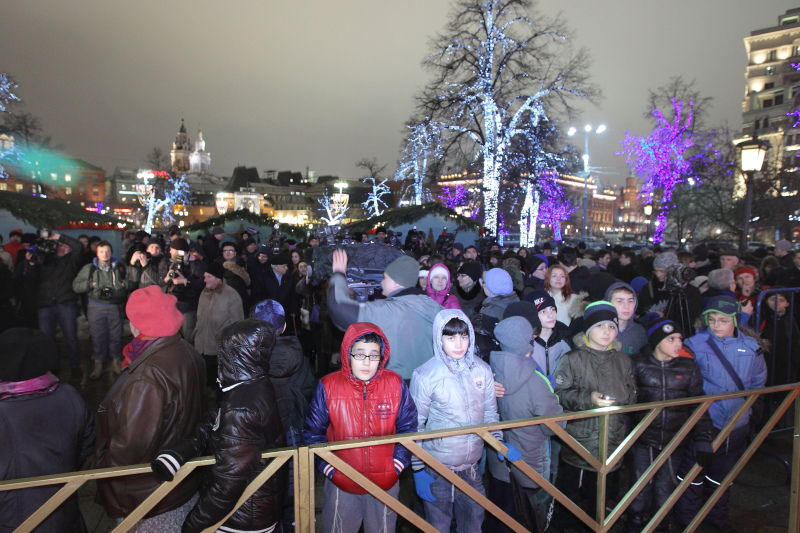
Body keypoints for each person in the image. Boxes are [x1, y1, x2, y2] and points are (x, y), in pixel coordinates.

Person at [151, 319, 288, 533]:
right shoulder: (253, 385)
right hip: (258, 507)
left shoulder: (242, 406)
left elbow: (228, 485)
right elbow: (215, 422)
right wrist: (179, 453)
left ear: (234, 355)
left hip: (242, 516)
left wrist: (192, 525)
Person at [95, 285, 206, 529]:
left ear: (139, 324)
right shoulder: (188, 352)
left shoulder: (148, 377)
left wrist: (102, 463)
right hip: (182, 479)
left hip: (150, 495)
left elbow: (131, 447)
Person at [303, 322, 417, 533]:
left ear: (382, 357)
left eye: (373, 355)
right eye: (359, 354)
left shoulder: (395, 383)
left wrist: (397, 465)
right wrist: (331, 470)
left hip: (386, 481)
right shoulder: (328, 386)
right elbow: (313, 433)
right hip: (342, 482)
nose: (367, 362)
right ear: (347, 354)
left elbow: (408, 427)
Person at [677, 296, 767, 530]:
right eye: (712, 320)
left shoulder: (751, 348)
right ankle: (688, 521)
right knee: (692, 474)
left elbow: (758, 381)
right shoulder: (693, 345)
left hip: (736, 423)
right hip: (704, 423)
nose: (716, 325)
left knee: (722, 476)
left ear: (735, 321)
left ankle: (717, 520)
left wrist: (748, 410)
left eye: (723, 320)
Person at [410, 309, 505, 532]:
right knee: (438, 525)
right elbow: (416, 425)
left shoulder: (482, 370)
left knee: (473, 523)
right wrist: (417, 469)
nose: (459, 343)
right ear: (439, 338)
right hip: (437, 468)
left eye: (464, 336)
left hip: (471, 467)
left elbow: (491, 415)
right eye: (451, 337)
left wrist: (499, 441)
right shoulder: (425, 375)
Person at [0, 328, 95, 532]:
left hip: (15, 522)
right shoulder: (70, 396)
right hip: (64, 513)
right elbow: (86, 448)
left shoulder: (3, 410)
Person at [553, 301, 637, 528]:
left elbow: (632, 394)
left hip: (613, 440)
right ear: (588, 330)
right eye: (600, 326)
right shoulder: (573, 359)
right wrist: (588, 399)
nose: (607, 332)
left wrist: (625, 401)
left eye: (611, 327)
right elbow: (560, 394)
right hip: (582, 442)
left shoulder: (623, 360)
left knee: (603, 499)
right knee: (575, 501)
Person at [627, 320, 713, 533]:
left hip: (675, 442)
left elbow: (698, 405)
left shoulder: (688, 368)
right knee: (638, 491)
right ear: (657, 342)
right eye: (671, 339)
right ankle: (633, 525)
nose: (678, 344)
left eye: (680, 340)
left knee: (666, 490)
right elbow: (628, 403)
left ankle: (661, 526)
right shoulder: (637, 364)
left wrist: (703, 438)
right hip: (643, 440)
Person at [490, 316, 564, 532]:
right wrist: (553, 397)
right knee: (531, 518)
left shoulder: (491, 369)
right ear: (527, 342)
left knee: (503, 513)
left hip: (500, 462)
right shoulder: (533, 379)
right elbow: (554, 425)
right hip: (531, 461)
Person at [327, 250, 442, 380]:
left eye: (385, 278)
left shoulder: (387, 310)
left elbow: (338, 307)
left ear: (396, 282)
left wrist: (338, 274)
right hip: (428, 385)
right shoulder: (433, 306)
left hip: (395, 389)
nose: (381, 282)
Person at [72, 240, 133, 379]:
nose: (105, 254)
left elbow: (131, 282)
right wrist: (89, 284)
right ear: (97, 253)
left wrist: (124, 285)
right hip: (96, 306)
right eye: (101, 251)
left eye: (107, 251)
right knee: (97, 335)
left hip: (115, 306)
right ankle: (98, 363)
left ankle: (116, 361)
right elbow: (76, 286)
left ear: (111, 252)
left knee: (116, 335)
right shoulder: (90, 268)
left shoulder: (119, 267)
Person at [30, 231, 84, 377]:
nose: (61, 247)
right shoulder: (45, 259)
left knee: (71, 337)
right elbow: (31, 276)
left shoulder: (71, 260)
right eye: (58, 245)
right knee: (47, 339)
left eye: (63, 245)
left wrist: (58, 237)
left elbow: (78, 246)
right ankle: (52, 368)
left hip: (65, 302)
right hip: (45, 304)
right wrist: (31, 260)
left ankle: (75, 366)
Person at [193, 262, 244, 388]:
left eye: (208, 277)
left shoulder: (232, 295)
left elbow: (237, 322)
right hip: (201, 347)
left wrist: (221, 336)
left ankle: (218, 404)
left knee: (218, 384)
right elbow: (199, 318)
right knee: (203, 381)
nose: (205, 280)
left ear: (218, 278)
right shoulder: (204, 293)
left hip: (219, 349)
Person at [158, 237, 206, 339]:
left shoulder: (196, 263)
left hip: (188, 306)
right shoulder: (172, 262)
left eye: (172, 250)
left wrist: (184, 281)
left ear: (181, 252)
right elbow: (160, 284)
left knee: (188, 335)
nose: (170, 251)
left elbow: (200, 284)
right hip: (171, 305)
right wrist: (167, 278)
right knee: (172, 336)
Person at [605, 281, 648, 356]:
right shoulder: (598, 331)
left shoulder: (640, 332)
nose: (626, 306)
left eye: (630, 301)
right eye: (619, 301)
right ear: (608, 303)